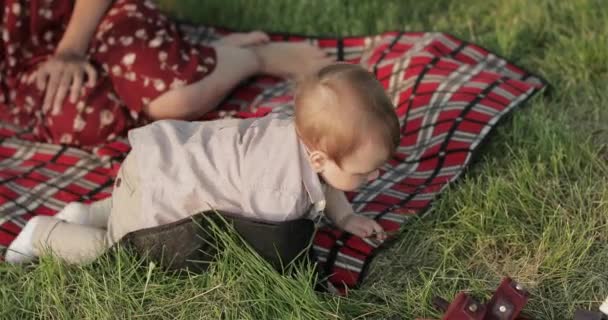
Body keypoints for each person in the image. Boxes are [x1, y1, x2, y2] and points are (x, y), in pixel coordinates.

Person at [5, 63, 401, 265]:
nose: (375, 175)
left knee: (127, 203)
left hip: (156, 164)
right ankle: (43, 234)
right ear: (318, 157)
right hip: (162, 185)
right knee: (120, 253)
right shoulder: (279, 193)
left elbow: (328, 182)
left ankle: (84, 212)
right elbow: (267, 250)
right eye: (364, 171)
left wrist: (345, 218)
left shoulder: (305, 135)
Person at [0, 0, 332, 146]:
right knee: (79, 119)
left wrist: (70, 50)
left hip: (94, 19)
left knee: (177, 99)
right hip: (24, 66)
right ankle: (205, 59)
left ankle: (255, 58)